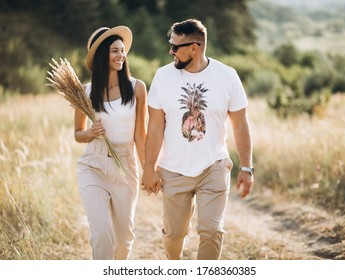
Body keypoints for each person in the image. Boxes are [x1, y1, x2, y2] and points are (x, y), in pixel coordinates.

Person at [142, 19, 253, 260]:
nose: (170, 51)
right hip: (173, 168)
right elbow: (155, 126)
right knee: (174, 235)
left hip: (213, 165)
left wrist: (246, 167)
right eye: (170, 45)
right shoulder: (163, 76)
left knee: (212, 230)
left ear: (195, 47)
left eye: (175, 47)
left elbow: (240, 124)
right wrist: (148, 168)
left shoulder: (227, 76)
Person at [75, 26, 147, 260]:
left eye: (122, 51)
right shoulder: (85, 91)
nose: (120, 56)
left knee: (124, 239)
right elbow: (78, 134)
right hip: (93, 164)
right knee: (102, 233)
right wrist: (91, 133)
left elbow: (141, 134)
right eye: (114, 51)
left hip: (125, 165)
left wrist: (148, 170)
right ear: (101, 55)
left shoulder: (137, 88)